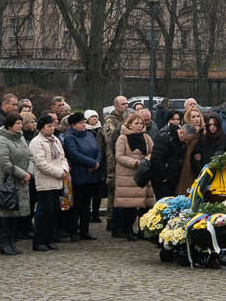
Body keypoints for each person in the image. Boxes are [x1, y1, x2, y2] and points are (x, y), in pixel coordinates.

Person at [0, 113, 33, 257]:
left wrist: (29, 173)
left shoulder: (21, 137)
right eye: (17, 124)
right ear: (10, 125)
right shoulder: (2, 140)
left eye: (21, 123)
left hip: (22, 181)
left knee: (16, 213)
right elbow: (5, 163)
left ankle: (12, 242)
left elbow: (30, 156)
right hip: (8, 182)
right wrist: (22, 174)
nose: (20, 126)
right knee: (6, 213)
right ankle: (4, 244)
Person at [109, 108, 152, 237]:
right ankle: (128, 230)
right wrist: (134, 162)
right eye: (136, 123)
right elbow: (119, 156)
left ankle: (142, 229)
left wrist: (147, 159)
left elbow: (153, 152)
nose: (139, 126)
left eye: (141, 124)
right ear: (129, 124)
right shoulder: (123, 138)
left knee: (145, 205)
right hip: (128, 176)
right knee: (129, 206)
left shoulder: (146, 137)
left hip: (143, 174)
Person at [29, 113, 68, 252]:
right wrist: (59, 172)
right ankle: (39, 240)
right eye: (48, 126)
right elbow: (41, 164)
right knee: (44, 211)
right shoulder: (36, 142)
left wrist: (64, 169)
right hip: (45, 182)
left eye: (53, 126)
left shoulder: (55, 140)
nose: (52, 128)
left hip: (57, 181)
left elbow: (62, 157)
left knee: (54, 212)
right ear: (41, 127)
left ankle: (50, 239)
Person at [64, 112, 104, 242]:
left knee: (87, 205)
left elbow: (98, 149)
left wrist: (96, 162)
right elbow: (74, 154)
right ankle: (73, 230)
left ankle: (84, 230)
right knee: (76, 205)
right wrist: (92, 163)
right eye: (80, 123)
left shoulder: (89, 135)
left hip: (92, 174)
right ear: (73, 125)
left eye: (83, 122)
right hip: (78, 175)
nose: (83, 125)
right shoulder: (69, 138)